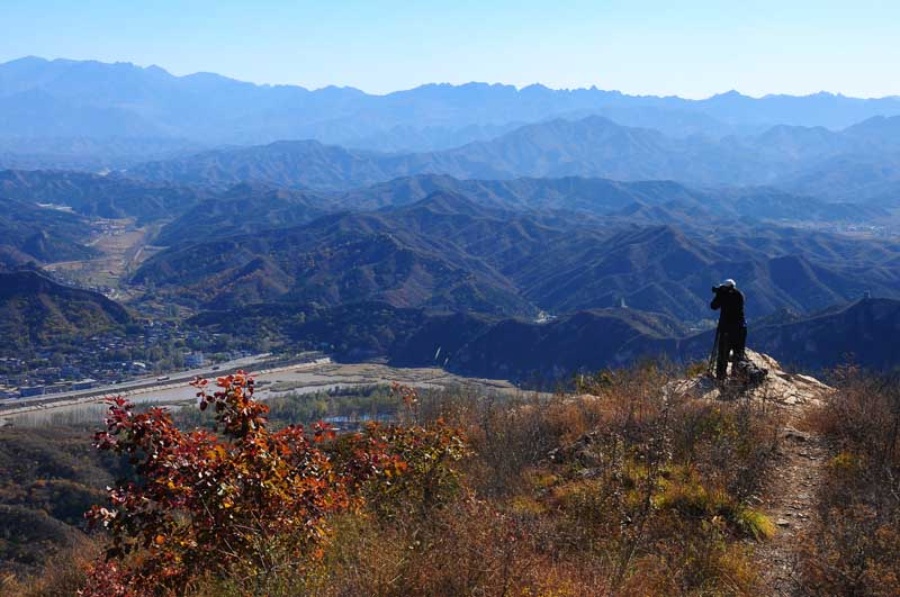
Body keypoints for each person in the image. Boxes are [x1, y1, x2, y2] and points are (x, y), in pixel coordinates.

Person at [710, 278, 746, 380]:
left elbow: (713, 306)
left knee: (723, 354)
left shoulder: (724, 295)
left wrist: (719, 294)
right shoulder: (740, 295)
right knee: (738, 354)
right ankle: (736, 377)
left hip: (727, 330)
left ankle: (721, 377)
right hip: (741, 329)